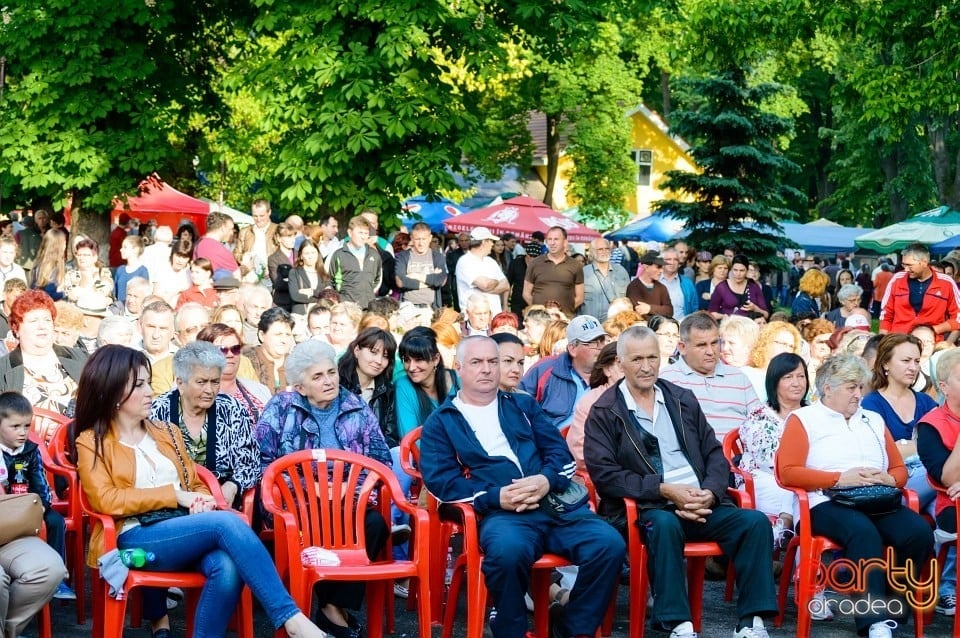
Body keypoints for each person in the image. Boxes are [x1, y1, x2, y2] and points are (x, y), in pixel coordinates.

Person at [71, 345, 327, 638]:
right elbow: (105, 499)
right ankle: (291, 619)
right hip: (133, 537)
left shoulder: (167, 432)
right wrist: (175, 495)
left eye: (148, 383)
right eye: (139, 385)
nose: (150, 392)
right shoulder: (92, 441)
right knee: (226, 522)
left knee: (227, 566)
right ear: (114, 391)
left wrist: (199, 500)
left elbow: (192, 483)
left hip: (181, 530)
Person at [420, 335, 626, 638]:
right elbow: (441, 483)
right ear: (459, 367)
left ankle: (572, 627)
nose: (487, 369)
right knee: (506, 553)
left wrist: (545, 480)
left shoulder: (523, 405)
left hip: (555, 506)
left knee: (609, 545)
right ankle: (509, 629)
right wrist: (495, 497)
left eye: (493, 361)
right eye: (477, 362)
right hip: (502, 514)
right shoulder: (443, 420)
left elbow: (561, 456)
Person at [584, 326, 778, 638]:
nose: (646, 366)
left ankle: (752, 623)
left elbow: (714, 454)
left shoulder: (681, 399)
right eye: (637, 359)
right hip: (649, 507)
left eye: (652, 357)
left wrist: (710, 494)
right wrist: (663, 490)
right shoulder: (606, 411)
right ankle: (678, 624)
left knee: (754, 523)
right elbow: (605, 475)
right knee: (664, 525)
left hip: (700, 502)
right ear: (620, 363)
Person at [777, 353, 934, 638]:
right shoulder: (804, 419)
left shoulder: (871, 419)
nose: (858, 394)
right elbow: (787, 472)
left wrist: (890, 478)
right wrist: (837, 478)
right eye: (851, 387)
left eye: (860, 387)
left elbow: (899, 469)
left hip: (875, 498)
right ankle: (872, 620)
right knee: (862, 532)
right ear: (828, 389)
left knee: (919, 532)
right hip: (823, 501)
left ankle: (891, 607)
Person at [254, 339, 391, 638]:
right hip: (297, 507)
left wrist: (348, 492)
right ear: (301, 387)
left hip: (348, 505)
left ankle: (330, 607)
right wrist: (311, 491)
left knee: (375, 524)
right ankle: (333, 614)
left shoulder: (357, 408)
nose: (329, 381)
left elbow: (381, 462)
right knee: (321, 529)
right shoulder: (281, 408)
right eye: (317, 376)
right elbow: (263, 463)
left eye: (331, 372)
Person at [149, 341, 262, 509]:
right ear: (180, 383)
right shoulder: (159, 411)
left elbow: (251, 463)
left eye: (215, 382)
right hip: (174, 504)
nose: (210, 390)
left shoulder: (232, 409)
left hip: (222, 501)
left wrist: (233, 485)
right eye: (201, 382)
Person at [0, 391, 74, 600]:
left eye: (26, 426)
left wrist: (41, 505)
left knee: (56, 521)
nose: (22, 432)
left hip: (29, 506)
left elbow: (39, 481)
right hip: (5, 510)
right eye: (15, 427)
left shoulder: (30, 450)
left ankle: (59, 580)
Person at [738, 353, 809, 551]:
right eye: (788, 377)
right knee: (798, 491)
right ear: (774, 382)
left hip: (803, 479)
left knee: (805, 491)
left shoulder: (814, 414)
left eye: (801, 376)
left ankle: (785, 532)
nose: (797, 383)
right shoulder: (760, 415)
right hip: (764, 480)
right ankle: (797, 563)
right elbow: (768, 460)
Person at [861, 334, 938, 513]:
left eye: (917, 361)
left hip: (930, 485)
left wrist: (905, 446)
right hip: (893, 485)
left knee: (947, 515)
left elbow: (943, 444)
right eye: (906, 360)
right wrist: (926, 447)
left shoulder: (925, 401)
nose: (913, 367)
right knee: (943, 473)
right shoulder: (871, 404)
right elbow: (883, 454)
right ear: (885, 363)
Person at [660, 312, 762, 441]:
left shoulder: (739, 378)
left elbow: (760, 423)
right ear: (682, 347)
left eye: (714, 343)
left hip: (739, 458)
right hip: (691, 458)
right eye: (701, 345)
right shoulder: (666, 379)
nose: (710, 352)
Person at [917, 348, 960, 617]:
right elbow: (949, 478)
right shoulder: (931, 425)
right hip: (951, 505)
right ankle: (947, 587)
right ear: (943, 386)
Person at [0, 290, 85, 414]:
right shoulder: (3, 369)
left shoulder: (79, 357)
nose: (42, 326)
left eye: (47, 320)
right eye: (33, 321)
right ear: (16, 328)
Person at [520, 316, 608, 429]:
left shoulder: (610, 372)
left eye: (602, 341)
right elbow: (518, 406)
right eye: (592, 343)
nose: (600, 347)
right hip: (551, 442)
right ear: (572, 349)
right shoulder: (545, 369)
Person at [880, 243, 960, 341]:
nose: (906, 269)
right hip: (898, 342)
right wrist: (881, 342)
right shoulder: (897, 279)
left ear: (924, 262)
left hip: (931, 343)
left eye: (910, 265)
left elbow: (957, 317)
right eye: (904, 265)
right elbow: (886, 316)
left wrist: (934, 330)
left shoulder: (946, 282)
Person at [196, 324, 270, 424]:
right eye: (222, 349)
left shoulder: (260, 391)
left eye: (235, 349)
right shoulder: (188, 394)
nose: (230, 354)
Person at [396, 327, 460, 439]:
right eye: (406, 360)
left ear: (436, 359)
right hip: (428, 454)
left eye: (418, 360)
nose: (411, 367)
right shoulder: (404, 385)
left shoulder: (458, 380)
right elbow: (411, 439)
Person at [567, 342, 621, 470]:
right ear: (607, 370)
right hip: (606, 473)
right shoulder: (591, 402)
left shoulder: (646, 397)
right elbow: (581, 452)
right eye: (622, 367)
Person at [523, 226, 584, 318]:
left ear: (565, 242)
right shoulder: (535, 263)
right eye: (549, 239)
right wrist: (540, 311)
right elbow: (526, 293)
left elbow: (580, 297)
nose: (552, 243)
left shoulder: (575, 265)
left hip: (565, 320)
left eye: (556, 239)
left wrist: (564, 313)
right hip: (540, 320)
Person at [327, 216, 382, 310]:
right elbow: (331, 281)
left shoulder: (374, 254)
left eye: (366, 233)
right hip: (346, 307)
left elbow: (377, 279)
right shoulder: (338, 255)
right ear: (350, 232)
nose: (363, 236)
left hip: (369, 307)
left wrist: (367, 292)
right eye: (360, 232)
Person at [742, 321, 803, 402]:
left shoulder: (795, 381)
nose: (787, 349)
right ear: (766, 343)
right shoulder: (746, 374)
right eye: (782, 343)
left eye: (791, 346)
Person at [455, 227, 510, 316]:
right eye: (491, 241)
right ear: (484, 242)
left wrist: (484, 289)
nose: (492, 244)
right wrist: (496, 282)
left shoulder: (490, 261)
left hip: (494, 317)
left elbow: (506, 285)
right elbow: (485, 284)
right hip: (474, 319)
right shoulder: (464, 261)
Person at [394, 221, 447, 309]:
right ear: (411, 238)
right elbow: (400, 282)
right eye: (417, 239)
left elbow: (441, 281)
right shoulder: (402, 256)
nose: (421, 243)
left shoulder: (438, 256)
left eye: (424, 239)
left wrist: (415, 275)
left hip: (431, 307)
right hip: (407, 306)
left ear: (430, 238)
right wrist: (430, 281)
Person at [243, 307, 295, 394]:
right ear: (261, 335)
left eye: (288, 335)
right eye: (278, 334)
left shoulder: (296, 364)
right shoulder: (247, 361)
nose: (284, 340)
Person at [581, 238, 630, 322]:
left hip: (616, 326)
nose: (604, 251)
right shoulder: (583, 273)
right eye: (600, 249)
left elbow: (628, 299)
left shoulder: (621, 271)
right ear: (592, 252)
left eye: (606, 248)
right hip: (590, 327)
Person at [708, 254, 769, 321]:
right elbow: (711, 313)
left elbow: (766, 315)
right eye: (735, 270)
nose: (738, 274)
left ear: (747, 271)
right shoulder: (722, 287)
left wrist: (755, 308)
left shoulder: (753, 286)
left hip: (750, 327)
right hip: (728, 327)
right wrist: (724, 316)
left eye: (742, 270)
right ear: (731, 270)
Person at [63, 238, 113, 303]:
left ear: (95, 257)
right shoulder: (70, 275)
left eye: (86, 255)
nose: (81, 258)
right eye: (79, 255)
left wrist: (94, 278)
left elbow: (103, 293)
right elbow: (71, 295)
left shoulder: (104, 273)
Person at [288, 240, 332, 315]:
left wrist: (312, 292)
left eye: (313, 252)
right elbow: (295, 296)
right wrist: (320, 297)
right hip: (301, 315)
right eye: (307, 253)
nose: (310, 256)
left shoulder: (324, 273)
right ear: (301, 256)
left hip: (321, 315)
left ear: (318, 254)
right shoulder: (294, 272)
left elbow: (329, 295)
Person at [194, 212, 240, 280]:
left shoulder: (198, 244)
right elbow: (237, 277)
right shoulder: (220, 250)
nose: (232, 233)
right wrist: (247, 267)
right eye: (230, 229)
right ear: (223, 228)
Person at [625, 252, 672, 318]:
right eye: (658, 267)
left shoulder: (662, 288)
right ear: (646, 267)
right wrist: (660, 310)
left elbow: (670, 311)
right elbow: (639, 311)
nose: (661, 270)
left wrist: (649, 308)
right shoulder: (633, 287)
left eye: (662, 267)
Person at [234, 199, 277, 267]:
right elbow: (236, 253)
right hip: (250, 273)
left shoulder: (277, 230)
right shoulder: (244, 232)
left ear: (269, 212)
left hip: (272, 274)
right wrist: (242, 258)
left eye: (262, 216)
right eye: (255, 216)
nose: (258, 219)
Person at [660, 247, 698, 321]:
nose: (672, 262)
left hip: (682, 327)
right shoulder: (654, 281)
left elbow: (694, 308)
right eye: (668, 259)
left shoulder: (687, 283)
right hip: (658, 328)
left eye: (675, 260)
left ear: (679, 263)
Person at [31, 228, 68, 301]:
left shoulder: (40, 262)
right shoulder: (52, 267)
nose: (65, 246)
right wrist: (65, 292)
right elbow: (49, 294)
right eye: (64, 243)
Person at [267, 222, 298, 312]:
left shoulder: (300, 254)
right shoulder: (273, 259)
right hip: (283, 303)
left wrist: (289, 279)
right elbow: (279, 284)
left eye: (293, 236)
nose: (293, 240)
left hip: (300, 302)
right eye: (288, 236)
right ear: (279, 238)